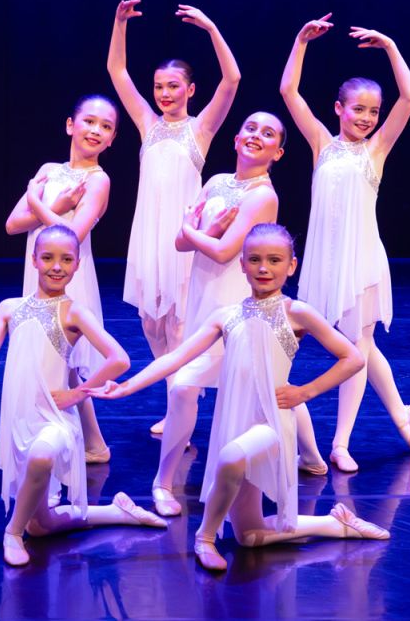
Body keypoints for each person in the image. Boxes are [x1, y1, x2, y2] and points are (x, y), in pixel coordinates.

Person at [89, 223, 389, 571]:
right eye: (256, 260)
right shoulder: (226, 316)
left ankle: (205, 538)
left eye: (275, 260)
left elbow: (352, 358)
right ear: (242, 265)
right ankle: (336, 524)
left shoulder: (296, 312)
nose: (264, 268)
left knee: (230, 458)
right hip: (234, 420)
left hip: (271, 422)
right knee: (249, 534)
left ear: (291, 266)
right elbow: (175, 358)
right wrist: (126, 387)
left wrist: (305, 391)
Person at [0, 225, 166, 567]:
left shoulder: (75, 312)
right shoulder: (9, 307)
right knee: (42, 525)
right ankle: (116, 512)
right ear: (33, 260)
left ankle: (12, 534)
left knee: (43, 455)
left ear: (78, 264)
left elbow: (119, 358)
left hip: (56, 419)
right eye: (47, 257)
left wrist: (76, 394)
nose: (57, 266)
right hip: (21, 420)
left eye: (66, 259)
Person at [151, 112, 326, 518]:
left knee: (263, 389)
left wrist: (197, 230)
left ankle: (314, 457)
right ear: (235, 138)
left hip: (242, 311)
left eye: (267, 134)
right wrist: (200, 232)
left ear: (278, 152)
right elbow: (182, 243)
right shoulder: (215, 182)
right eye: (250, 128)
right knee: (188, 389)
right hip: (204, 306)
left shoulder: (264, 196)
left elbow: (226, 250)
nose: (256, 136)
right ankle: (162, 482)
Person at [279, 14, 410, 472]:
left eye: (371, 111)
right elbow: (289, 92)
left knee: (357, 348)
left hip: (362, 259)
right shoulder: (321, 143)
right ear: (339, 108)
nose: (365, 117)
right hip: (326, 261)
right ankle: (403, 416)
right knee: (362, 347)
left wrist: (390, 46)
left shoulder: (376, 150)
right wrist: (301, 42)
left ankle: (340, 443)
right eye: (357, 108)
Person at [108, 1, 241, 435]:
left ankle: (180, 413)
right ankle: (178, 398)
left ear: (190, 90)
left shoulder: (199, 130)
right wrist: (119, 24)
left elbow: (232, 79)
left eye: (173, 86)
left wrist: (210, 27)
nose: (164, 94)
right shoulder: (148, 125)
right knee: (152, 322)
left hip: (184, 240)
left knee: (182, 327)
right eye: (159, 87)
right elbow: (117, 73)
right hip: (148, 239)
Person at [5, 96, 119, 464]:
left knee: (64, 359)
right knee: (55, 362)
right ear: (71, 125)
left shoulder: (98, 181)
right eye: (89, 121)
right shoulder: (49, 169)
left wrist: (37, 203)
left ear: (112, 139)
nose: (95, 130)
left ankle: (86, 442)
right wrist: (49, 205)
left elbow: (72, 234)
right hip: (38, 271)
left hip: (69, 276)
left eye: (105, 126)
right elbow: (12, 224)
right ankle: (89, 442)